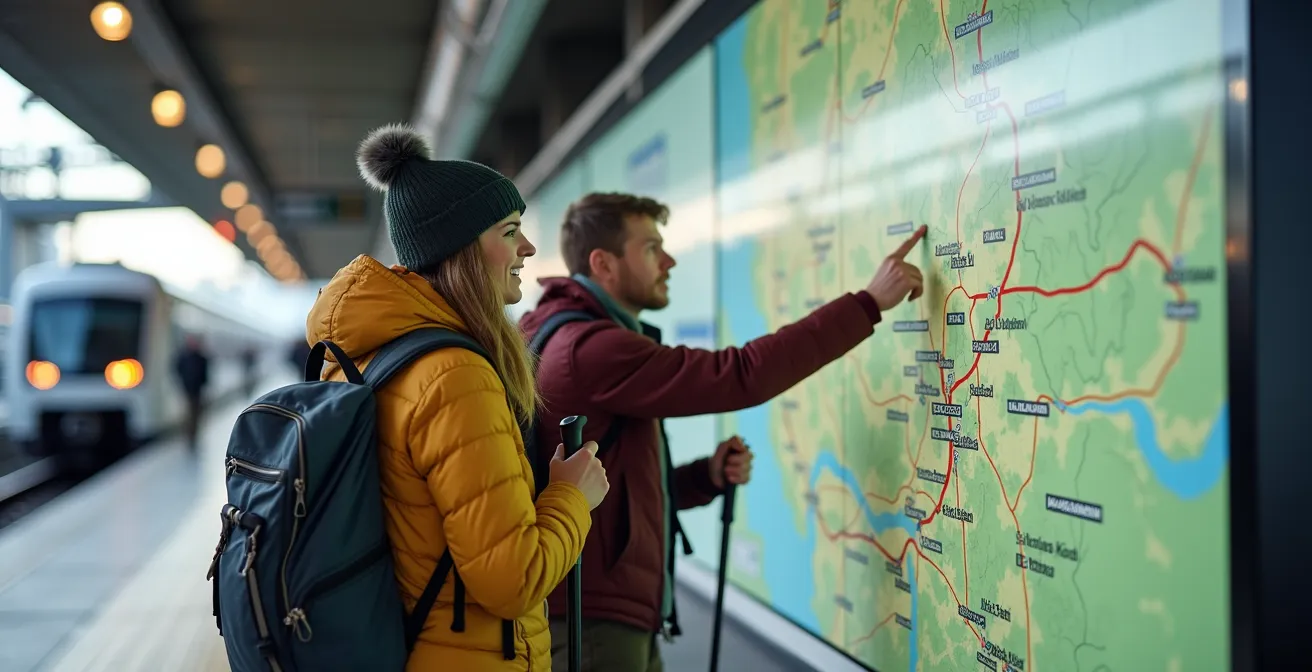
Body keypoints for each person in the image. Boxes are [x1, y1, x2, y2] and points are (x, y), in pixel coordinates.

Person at [519, 192, 926, 671]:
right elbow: (741, 375)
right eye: (651, 248)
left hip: (597, 606)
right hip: (596, 623)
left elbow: (607, 488)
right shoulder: (590, 349)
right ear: (603, 263)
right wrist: (868, 303)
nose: (669, 261)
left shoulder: (561, 333)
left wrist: (703, 477)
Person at [304, 124, 609, 671]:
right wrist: (572, 496)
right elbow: (512, 580)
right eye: (510, 231)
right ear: (462, 248)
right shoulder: (454, 377)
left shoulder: (369, 360)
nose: (527, 247)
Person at [173, 333, 210, 452]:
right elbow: (177, 369)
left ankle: (193, 435)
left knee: (196, 414)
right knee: (188, 413)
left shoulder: (202, 358)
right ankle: (188, 435)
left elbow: (205, 375)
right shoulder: (184, 357)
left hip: (198, 390)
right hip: (187, 389)